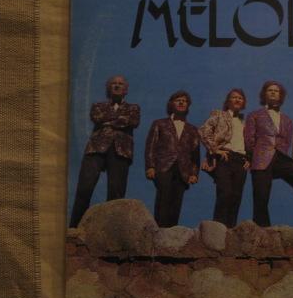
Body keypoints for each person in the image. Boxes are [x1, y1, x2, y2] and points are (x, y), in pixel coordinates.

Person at [244, 81, 293, 227]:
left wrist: (279, 155)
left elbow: (286, 141)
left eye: (276, 91)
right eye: (270, 90)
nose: (273, 92)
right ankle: (263, 229)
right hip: (260, 157)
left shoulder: (287, 120)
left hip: (280, 157)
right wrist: (252, 156)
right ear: (264, 95)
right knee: (261, 196)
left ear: (280, 96)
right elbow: (249, 139)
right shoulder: (254, 115)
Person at [70, 75, 140, 227]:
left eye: (120, 84)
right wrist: (120, 120)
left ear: (126, 90)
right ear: (108, 88)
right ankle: (74, 228)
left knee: (116, 193)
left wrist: (108, 122)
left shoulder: (133, 108)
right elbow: (97, 117)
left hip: (121, 151)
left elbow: (133, 121)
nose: (117, 86)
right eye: (113, 83)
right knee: (84, 188)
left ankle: (111, 229)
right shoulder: (98, 105)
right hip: (96, 148)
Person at [145, 91, 200, 228]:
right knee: (163, 197)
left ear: (188, 106)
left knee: (177, 201)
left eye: (184, 101)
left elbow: (195, 155)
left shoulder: (193, 129)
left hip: (183, 170)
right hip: (163, 167)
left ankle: (172, 234)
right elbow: (151, 146)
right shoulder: (159, 123)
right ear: (171, 104)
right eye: (178, 100)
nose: (181, 102)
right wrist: (150, 166)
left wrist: (194, 173)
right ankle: (159, 231)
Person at [198, 88, 250, 228]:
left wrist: (249, 159)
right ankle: (218, 230)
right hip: (225, 157)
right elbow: (203, 131)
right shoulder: (219, 115)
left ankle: (230, 231)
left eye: (240, 98)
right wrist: (215, 149)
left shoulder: (245, 122)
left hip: (241, 161)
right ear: (228, 101)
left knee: (236, 196)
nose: (237, 99)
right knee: (224, 193)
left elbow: (250, 142)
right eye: (234, 97)